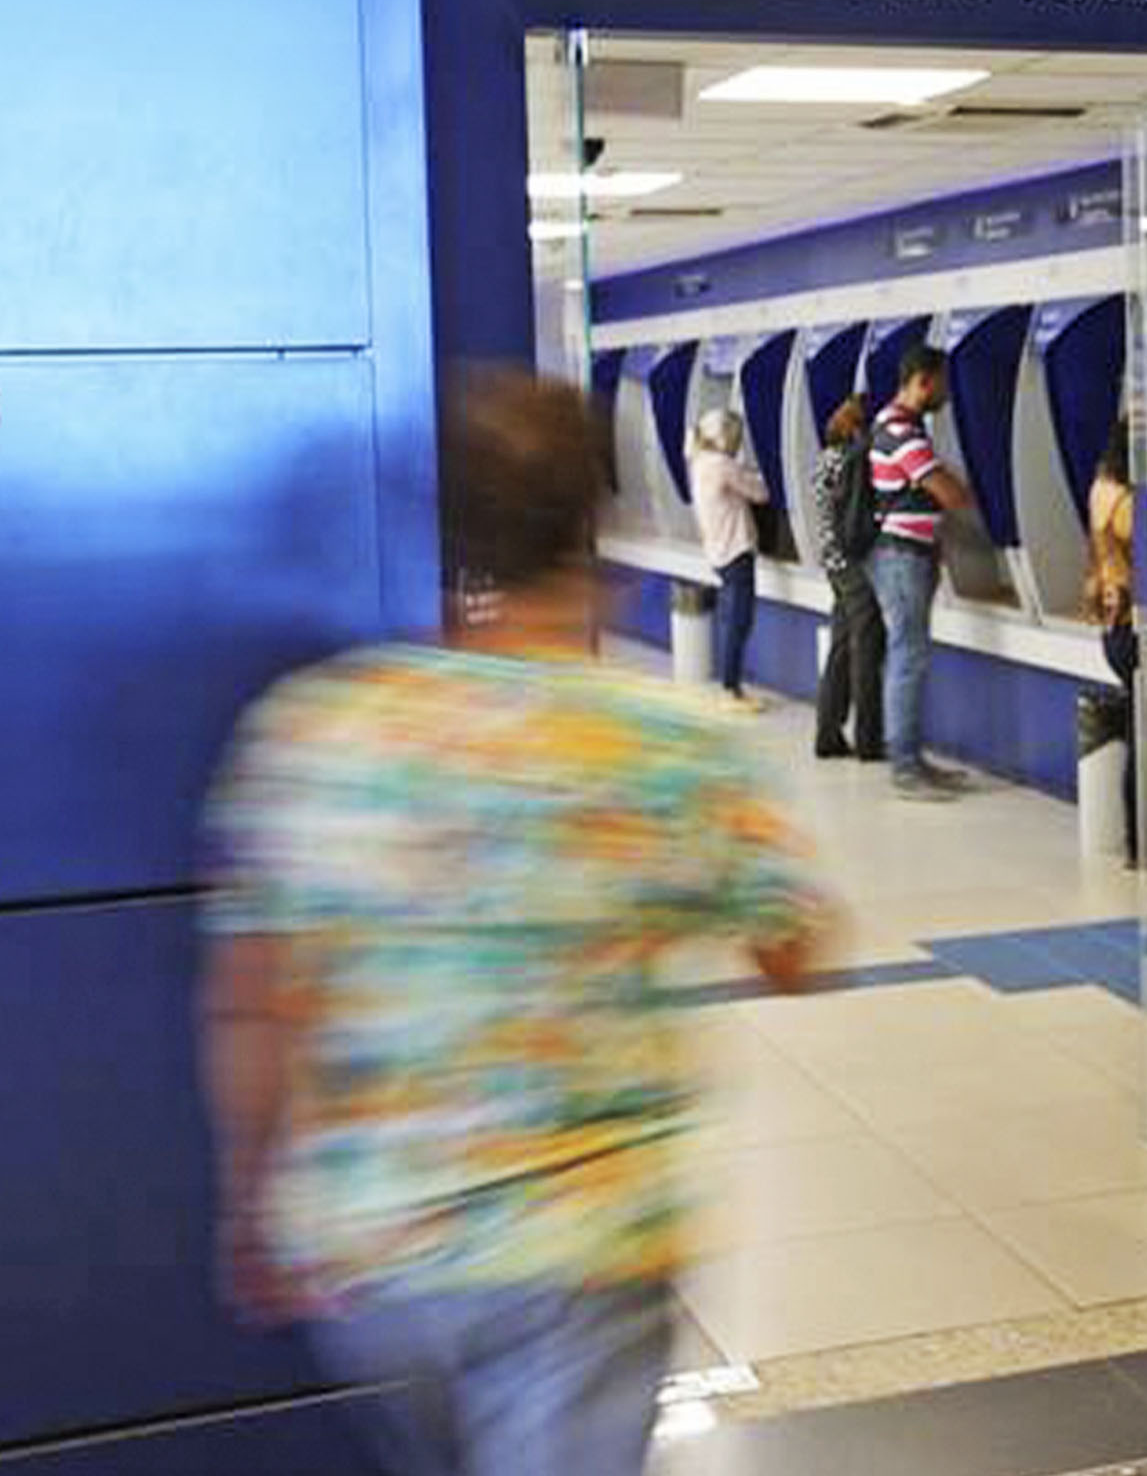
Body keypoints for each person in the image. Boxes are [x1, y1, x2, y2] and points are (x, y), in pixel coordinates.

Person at [199, 369, 830, 1476]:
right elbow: (794, 950)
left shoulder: (320, 729)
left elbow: (254, 998)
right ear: (592, 524)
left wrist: (251, 1201)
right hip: (585, 1248)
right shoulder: (668, 742)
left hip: (378, 1244)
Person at [868, 344, 977, 801]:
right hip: (901, 558)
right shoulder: (901, 431)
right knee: (907, 658)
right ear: (923, 381)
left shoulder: (896, 424)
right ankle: (905, 768)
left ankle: (913, 759)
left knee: (908, 656)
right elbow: (950, 494)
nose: (947, 391)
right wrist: (960, 489)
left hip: (910, 554)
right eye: (943, 382)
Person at [807, 396, 885, 762]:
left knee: (841, 647)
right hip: (855, 562)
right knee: (866, 647)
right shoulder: (854, 459)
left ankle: (828, 733)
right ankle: (869, 740)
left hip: (833, 562)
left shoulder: (825, 458)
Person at [1082, 415, 1140, 862]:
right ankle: (1139, 839)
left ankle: (1136, 838)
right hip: (1135, 622)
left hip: (1113, 624)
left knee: (1138, 728)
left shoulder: (1100, 489)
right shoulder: (1129, 502)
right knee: (1145, 739)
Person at [689, 405, 771, 710]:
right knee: (739, 621)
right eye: (735, 435)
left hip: (717, 551)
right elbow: (761, 493)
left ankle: (731, 686)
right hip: (736, 552)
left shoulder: (699, 462)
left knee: (732, 619)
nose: (738, 441)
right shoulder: (722, 465)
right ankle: (730, 689)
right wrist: (764, 473)